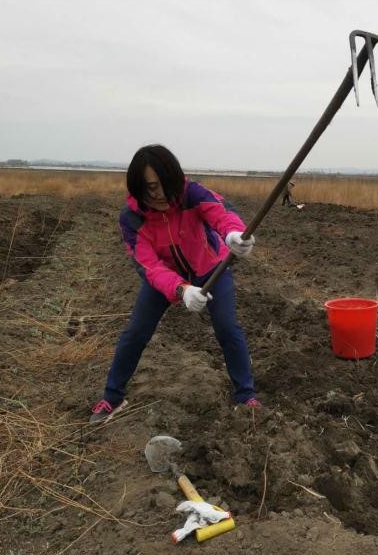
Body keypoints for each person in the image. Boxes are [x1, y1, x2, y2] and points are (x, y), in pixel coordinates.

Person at [89, 144, 260, 424]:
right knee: (135, 333)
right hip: (166, 278)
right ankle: (113, 397)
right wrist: (181, 289)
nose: (156, 195)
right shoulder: (132, 218)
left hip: (210, 268)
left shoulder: (192, 193)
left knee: (228, 328)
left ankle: (245, 395)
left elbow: (220, 212)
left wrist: (233, 235)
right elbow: (149, 266)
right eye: (147, 188)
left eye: (160, 186)